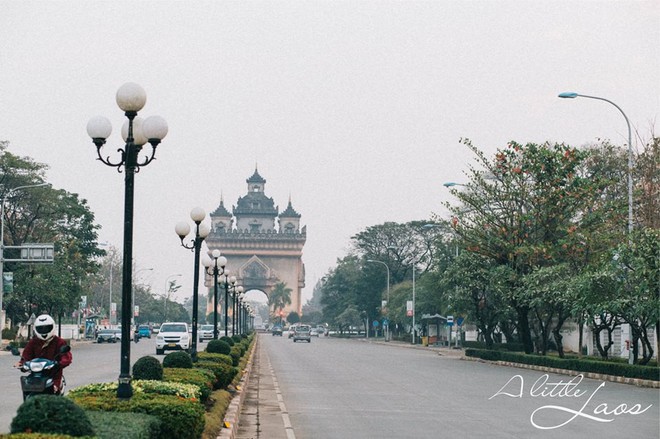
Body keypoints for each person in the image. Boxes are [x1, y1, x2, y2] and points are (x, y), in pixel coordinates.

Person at [14, 314, 72, 394]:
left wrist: (59, 363)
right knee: (27, 389)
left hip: (53, 374)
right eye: (40, 328)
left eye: (47, 328)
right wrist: (21, 363)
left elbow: (66, 357)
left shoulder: (60, 342)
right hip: (35, 375)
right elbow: (26, 356)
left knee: (55, 391)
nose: (44, 330)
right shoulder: (33, 342)